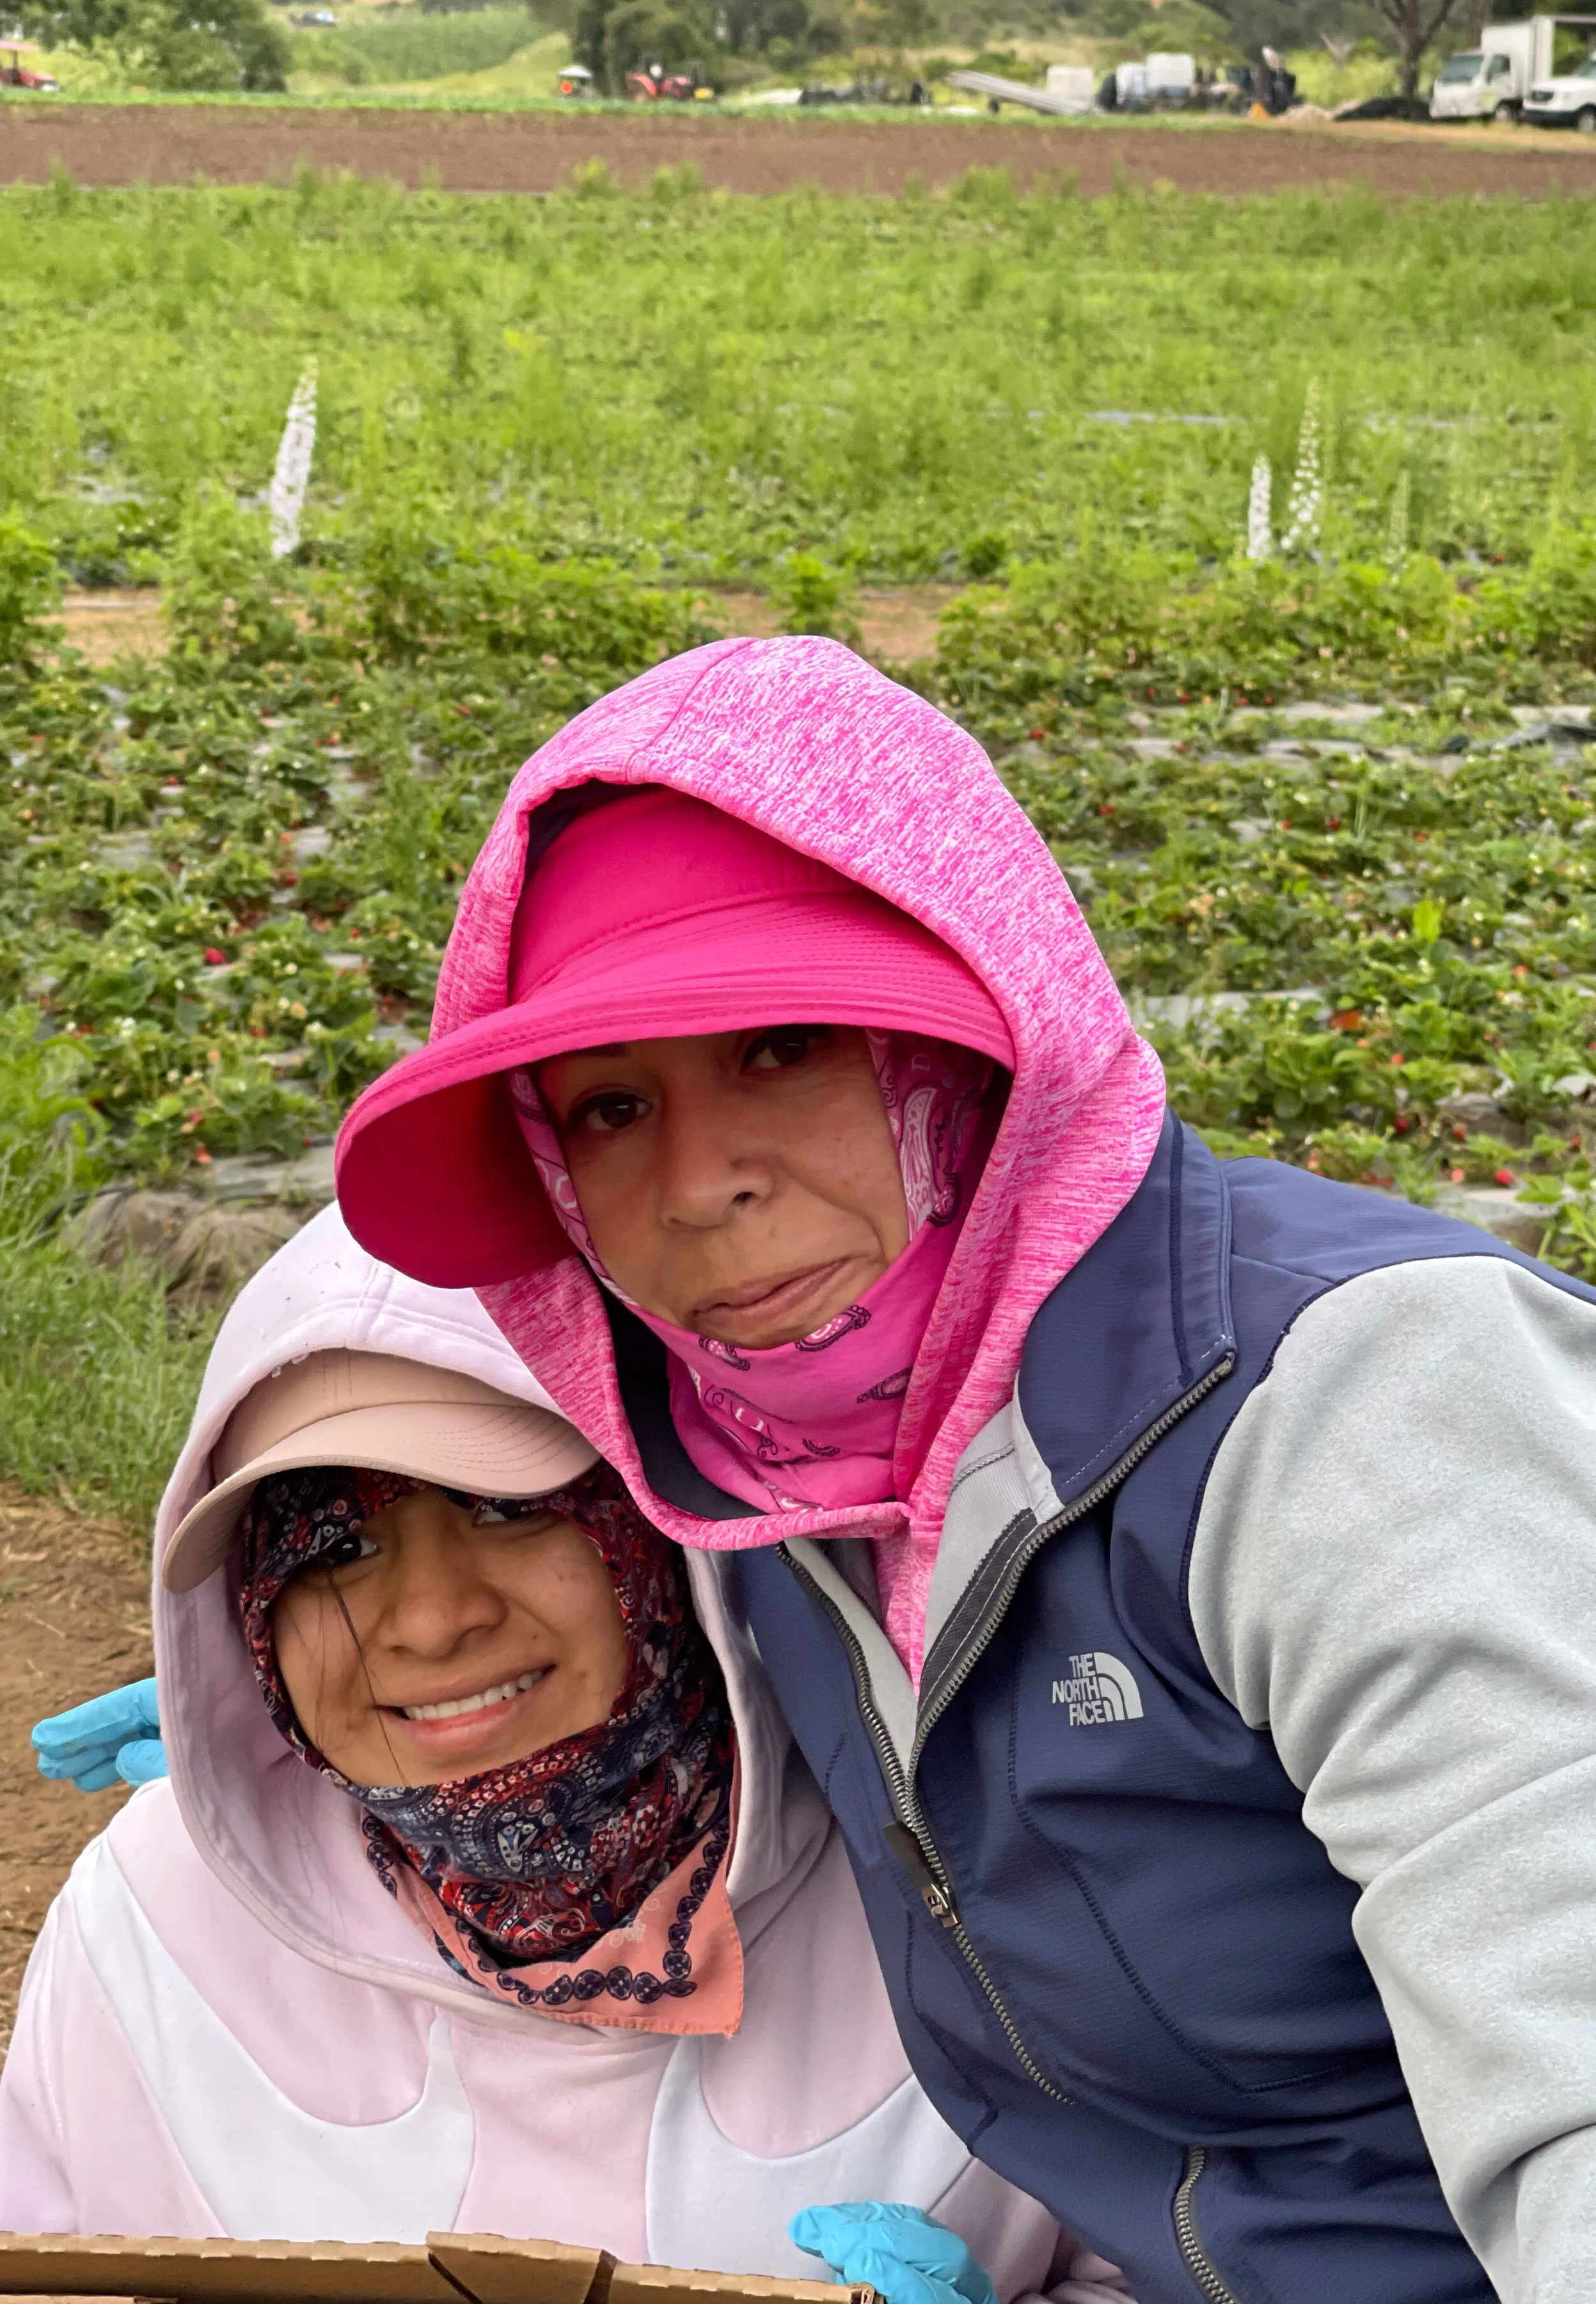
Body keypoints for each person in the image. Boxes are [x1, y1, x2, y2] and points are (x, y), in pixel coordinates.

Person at [333, 633, 1596, 2301]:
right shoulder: (764, 1490)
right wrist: (266, 1714)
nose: (701, 1181)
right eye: (610, 1110)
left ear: (967, 1042)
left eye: (781, 1045)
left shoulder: (1345, 1404)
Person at [4, 1205, 1125, 2304]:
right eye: (332, 1549)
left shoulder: (957, 1881)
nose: (432, 1621)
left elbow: (1208, 2255)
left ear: (658, 1531)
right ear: (249, 1613)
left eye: (506, 1507)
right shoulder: (152, 1923)